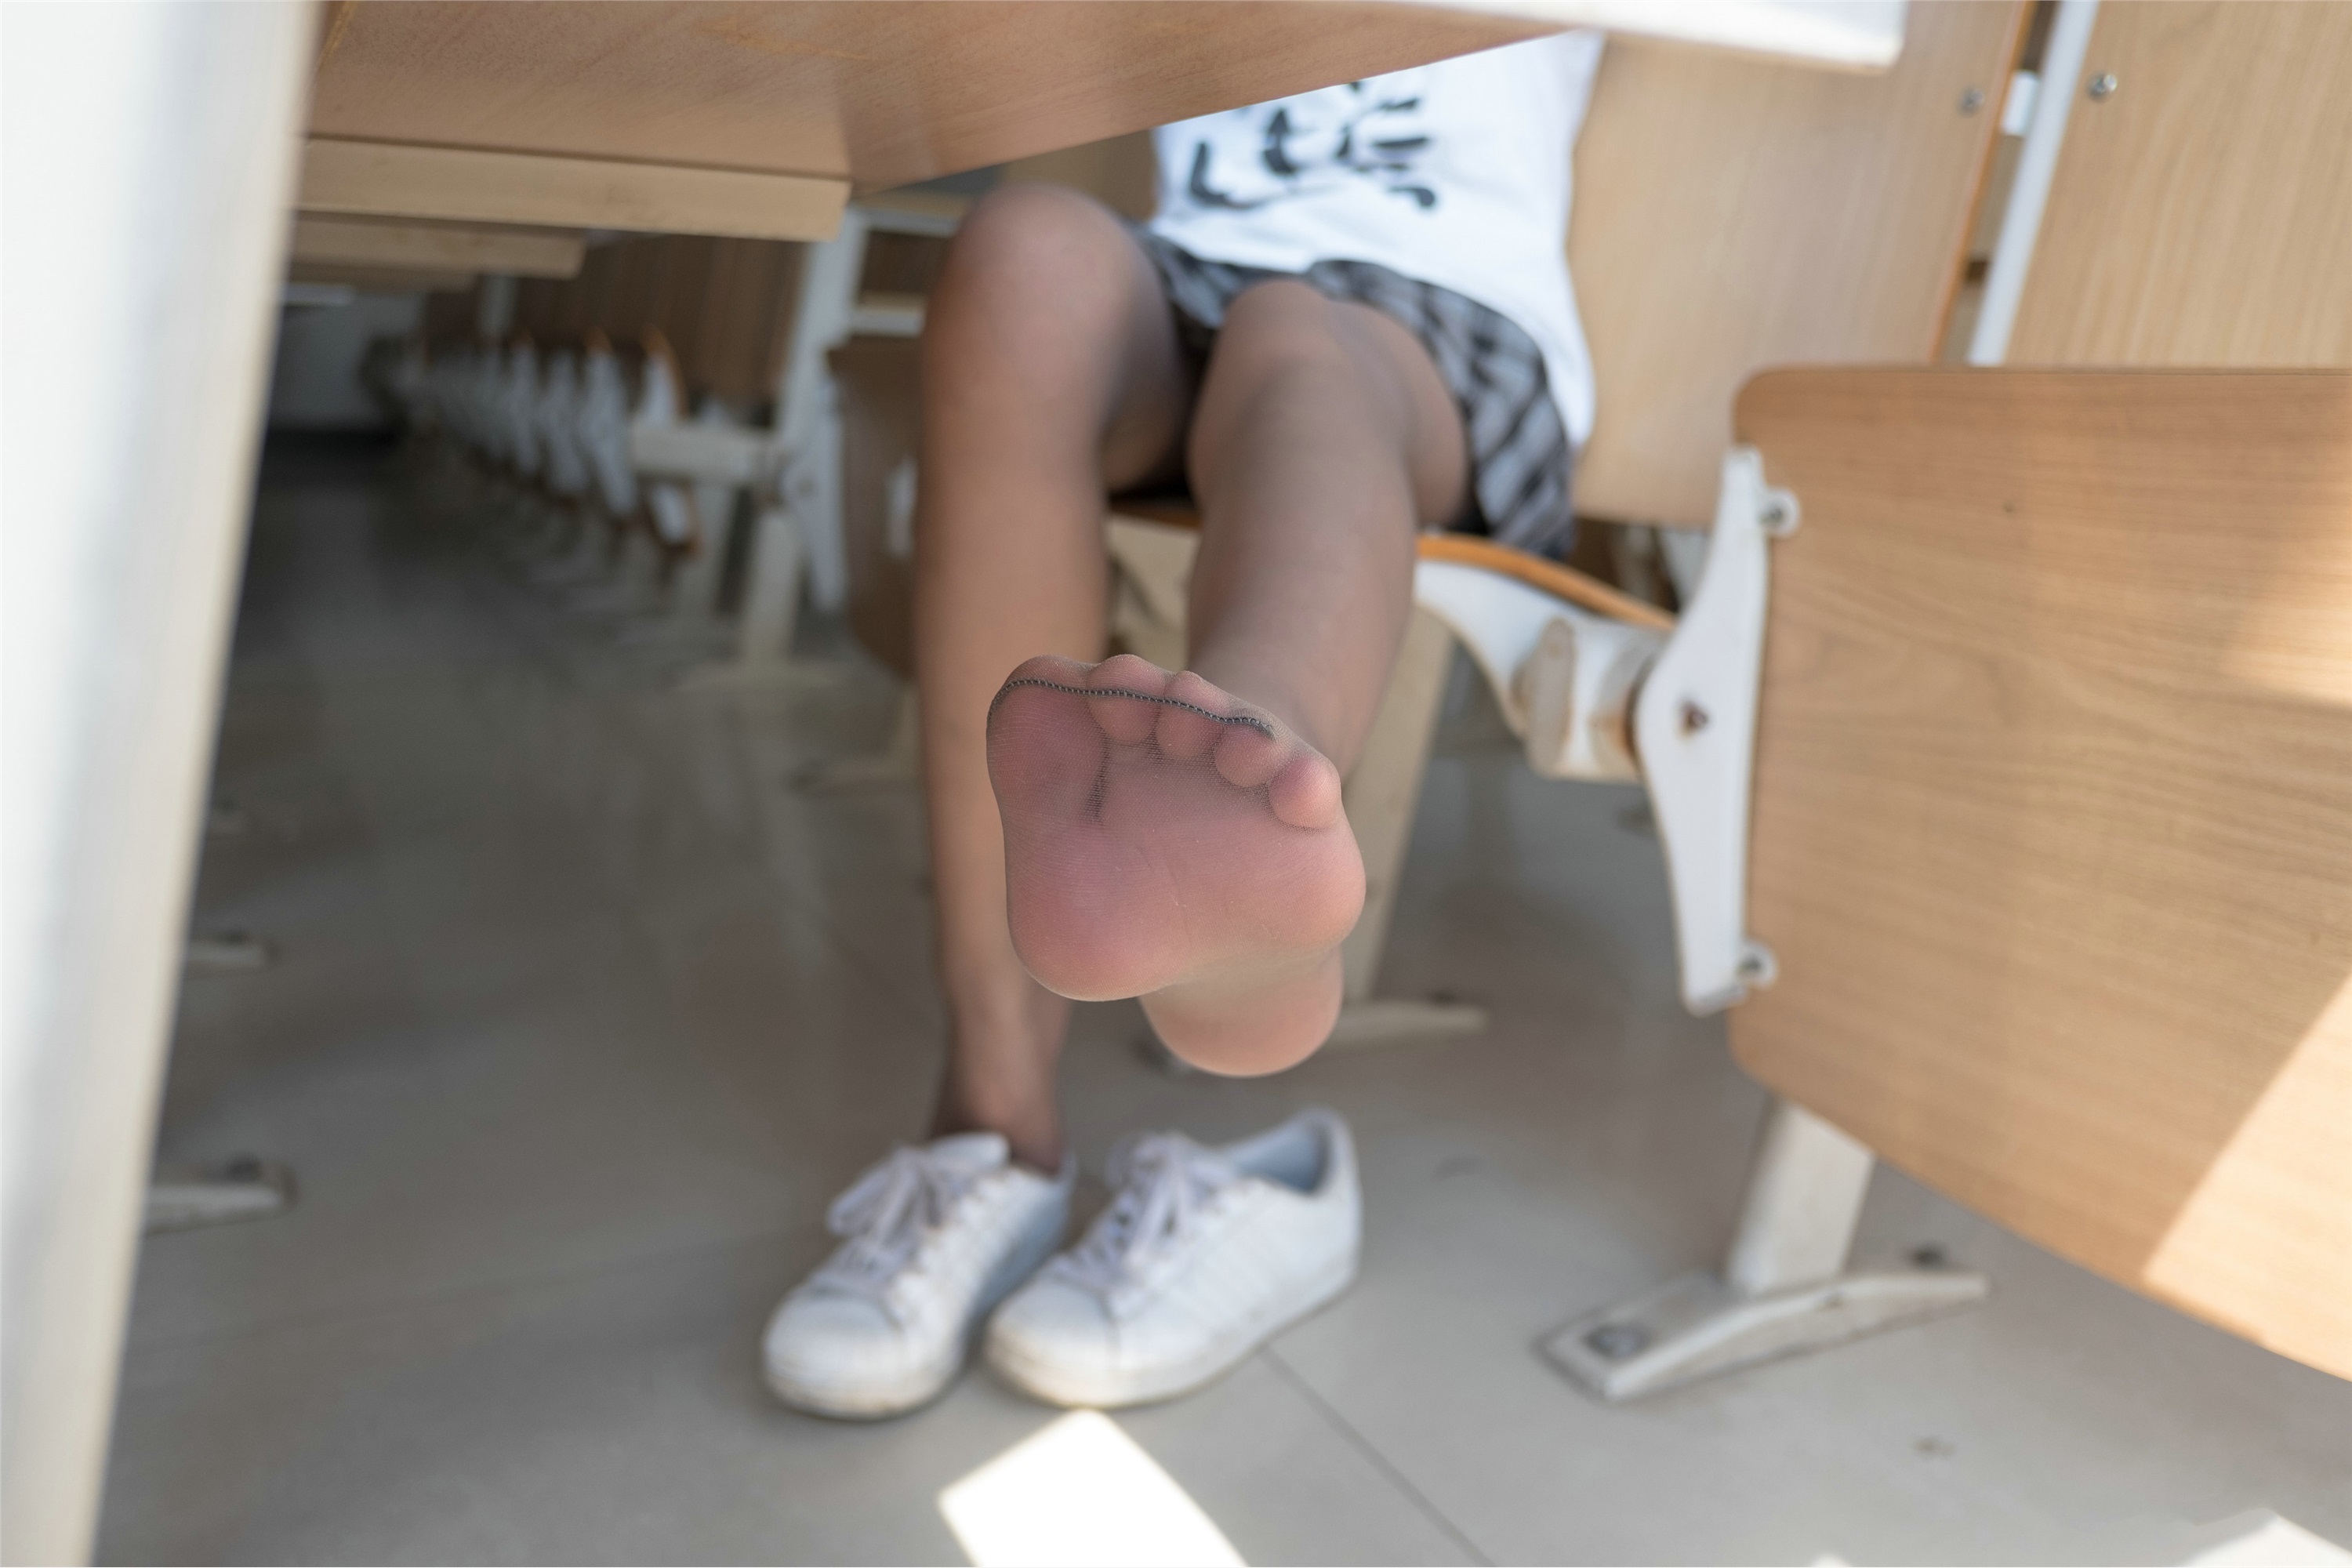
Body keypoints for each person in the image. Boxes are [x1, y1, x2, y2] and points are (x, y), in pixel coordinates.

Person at [764, 30, 1606, 1419]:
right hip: (1190, 265)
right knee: (1021, 254)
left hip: (1438, 306)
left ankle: (1254, 787)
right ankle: (995, 1120)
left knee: (1298, 336)